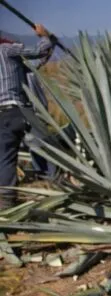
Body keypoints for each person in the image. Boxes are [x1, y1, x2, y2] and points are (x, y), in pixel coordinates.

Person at [0, 25, 53, 209]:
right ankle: (54, 184)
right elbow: (37, 51)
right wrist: (45, 37)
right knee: (46, 142)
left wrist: (48, 47)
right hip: (18, 110)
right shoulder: (7, 50)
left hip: (2, 115)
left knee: (6, 157)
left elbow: (32, 66)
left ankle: (5, 203)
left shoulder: (13, 63)